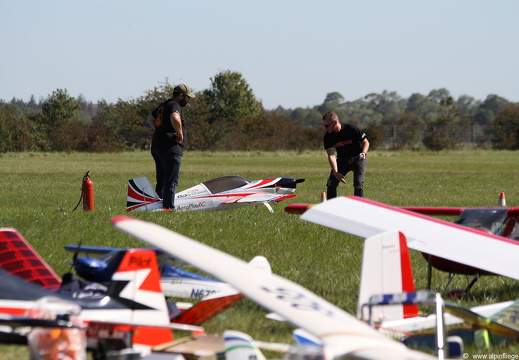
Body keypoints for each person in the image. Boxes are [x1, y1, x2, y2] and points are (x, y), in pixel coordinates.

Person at [147, 84, 196, 210]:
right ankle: (168, 208)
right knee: (171, 182)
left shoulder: (164, 105)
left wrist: (159, 131)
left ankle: (156, 207)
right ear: (181, 96)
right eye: (187, 97)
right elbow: (175, 117)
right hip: (170, 149)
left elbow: (150, 118)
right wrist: (179, 134)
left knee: (161, 181)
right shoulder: (175, 106)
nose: (188, 100)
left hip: (158, 147)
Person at [322, 111, 369, 199]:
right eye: (324, 125)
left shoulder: (351, 128)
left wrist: (363, 152)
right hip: (342, 160)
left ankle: (359, 208)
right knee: (331, 183)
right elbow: (331, 155)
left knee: (358, 184)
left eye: (327, 126)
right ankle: (331, 208)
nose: (325, 128)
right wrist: (336, 172)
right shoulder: (328, 136)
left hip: (358, 159)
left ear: (335, 122)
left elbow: (366, 142)